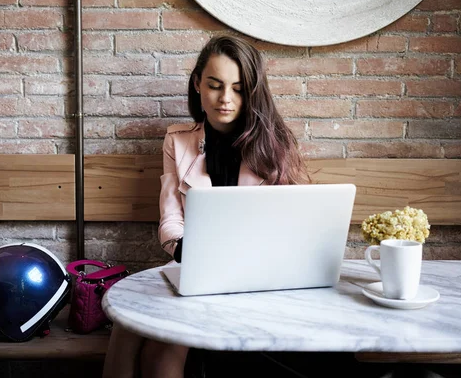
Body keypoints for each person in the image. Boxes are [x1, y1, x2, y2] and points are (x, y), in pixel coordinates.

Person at [102, 35, 310, 378]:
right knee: (126, 327)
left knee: (161, 347)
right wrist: (185, 249)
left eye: (238, 88)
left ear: (252, 91)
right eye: (214, 85)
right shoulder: (177, 140)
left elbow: (298, 221)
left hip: (255, 278)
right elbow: (170, 216)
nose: (225, 99)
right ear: (197, 83)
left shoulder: (275, 142)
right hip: (195, 268)